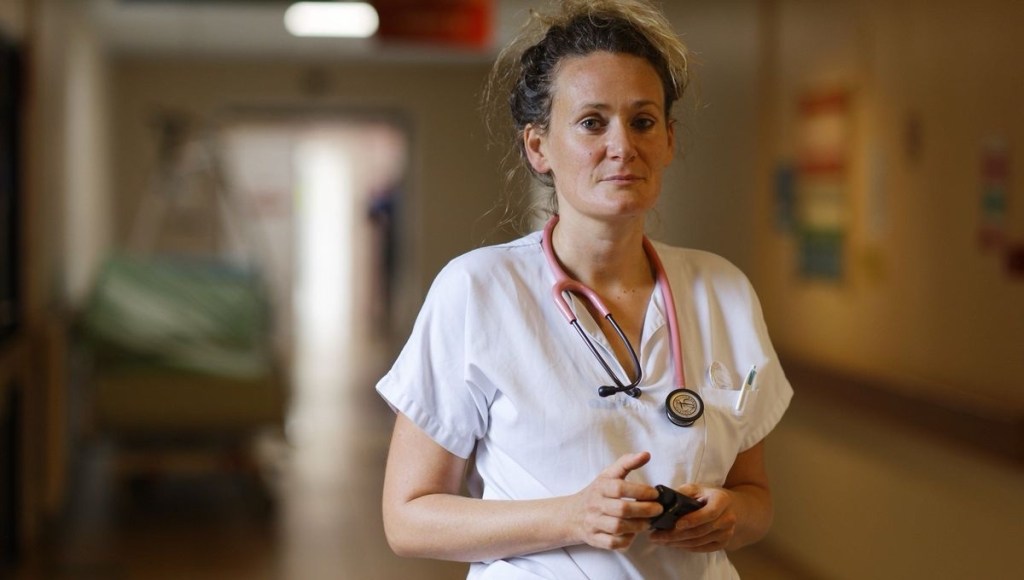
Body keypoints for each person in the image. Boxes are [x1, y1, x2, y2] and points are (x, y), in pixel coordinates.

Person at [376, 1, 792, 578]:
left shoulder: (722, 290)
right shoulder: (478, 290)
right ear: (538, 147)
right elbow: (408, 519)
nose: (622, 146)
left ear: (669, 140)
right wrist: (571, 517)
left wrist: (729, 515)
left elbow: (755, 499)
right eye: (592, 123)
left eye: (643, 122)